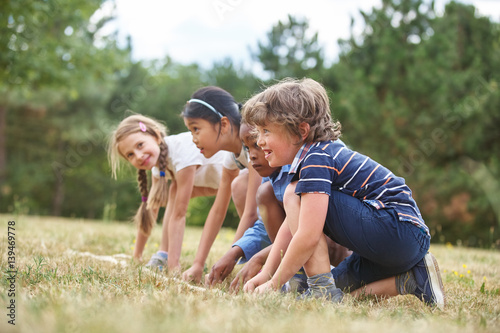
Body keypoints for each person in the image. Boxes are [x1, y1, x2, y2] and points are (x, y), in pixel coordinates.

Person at [241, 78, 445, 309]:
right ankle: (415, 278)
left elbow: (307, 235)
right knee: (336, 290)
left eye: (266, 131)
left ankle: (322, 289)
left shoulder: (316, 159)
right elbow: (291, 226)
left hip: (396, 230)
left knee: (292, 194)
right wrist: (267, 274)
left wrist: (275, 283)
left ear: (301, 131)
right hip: (402, 242)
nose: (259, 141)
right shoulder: (316, 157)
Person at [206, 122, 352, 291]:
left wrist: (260, 259)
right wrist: (234, 253)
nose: (251, 155)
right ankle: (297, 274)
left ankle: (324, 275)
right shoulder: (273, 175)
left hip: (337, 242)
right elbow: (265, 224)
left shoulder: (310, 162)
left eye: (257, 145)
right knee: (265, 193)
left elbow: (312, 226)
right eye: (247, 148)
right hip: (308, 239)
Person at [108, 113, 226, 274]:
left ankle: (169, 259)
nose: (138, 155)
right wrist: (137, 255)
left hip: (240, 177)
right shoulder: (159, 168)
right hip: (218, 184)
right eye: (130, 155)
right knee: (174, 190)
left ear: (156, 136)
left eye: (140, 145)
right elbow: (151, 210)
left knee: (176, 191)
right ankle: (164, 254)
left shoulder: (181, 151)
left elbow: (179, 214)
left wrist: (174, 268)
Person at [181, 86, 262, 283]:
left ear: (223, 124)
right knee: (238, 184)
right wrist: (198, 264)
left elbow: (252, 212)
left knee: (241, 184)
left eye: (196, 129)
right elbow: (218, 211)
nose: (193, 139)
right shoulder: (232, 156)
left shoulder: (252, 145)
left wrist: (229, 259)